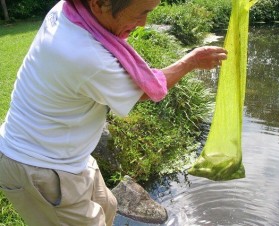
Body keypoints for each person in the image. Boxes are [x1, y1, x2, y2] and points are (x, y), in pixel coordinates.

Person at [0, 0, 227, 225]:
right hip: (38, 166)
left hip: (65, 154)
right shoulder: (84, 55)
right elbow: (143, 92)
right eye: (140, 14)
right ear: (99, 4)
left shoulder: (70, 9)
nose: (143, 24)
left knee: (108, 206)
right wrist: (191, 61)